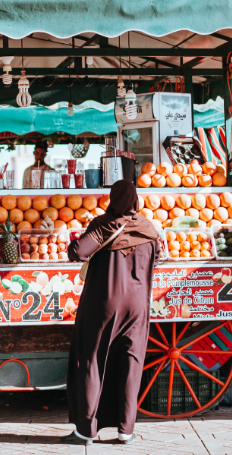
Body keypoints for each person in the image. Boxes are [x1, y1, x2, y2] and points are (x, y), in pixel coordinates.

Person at [62, 180, 161, 445]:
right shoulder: (149, 228)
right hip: (138, 305)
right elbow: (157, 257)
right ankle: (125, 431)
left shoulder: (105, 223)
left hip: (103, 304)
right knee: (131, 362)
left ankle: (86, 430)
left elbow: (79, 252)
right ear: (136, 200)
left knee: (93, 360)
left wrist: (71, 240)